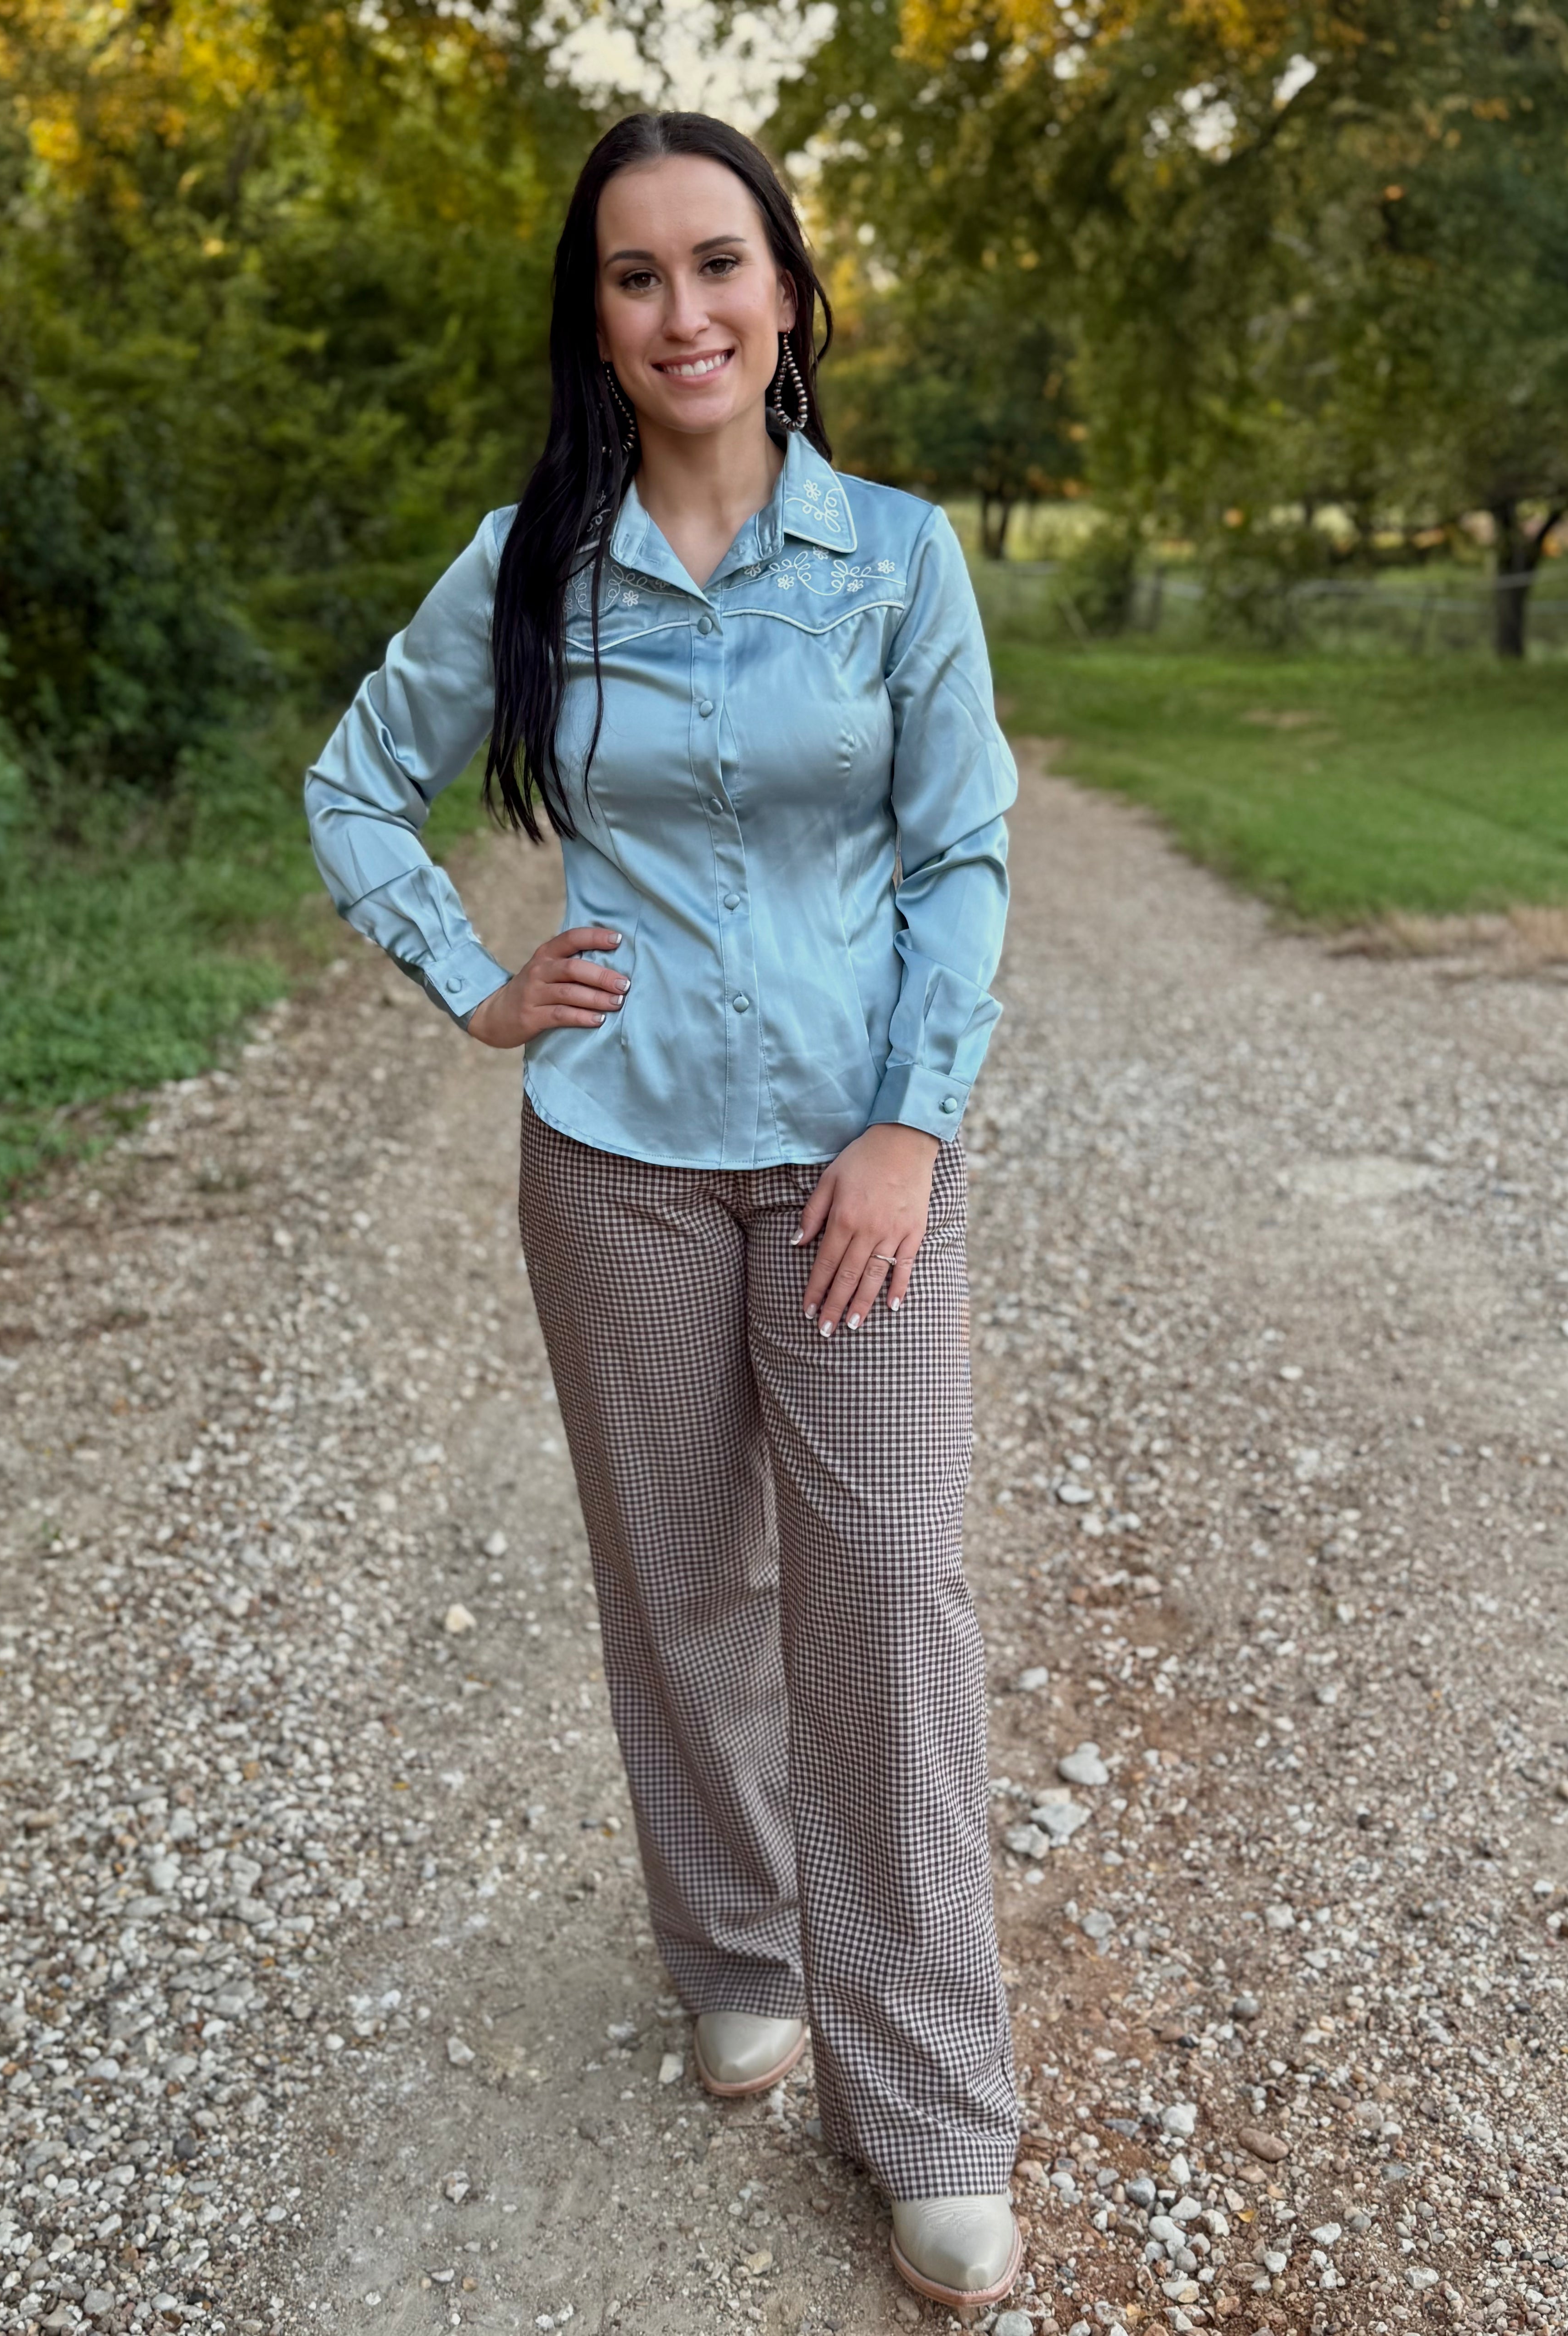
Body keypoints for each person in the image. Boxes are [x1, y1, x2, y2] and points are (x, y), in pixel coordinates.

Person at [303, 110, 1023, 2312]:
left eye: (723, 264)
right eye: (636, 276)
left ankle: (929, 2110)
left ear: (789, 294)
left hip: (849, 1166)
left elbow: (959, 856)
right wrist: (474, 979)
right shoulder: (530, 557)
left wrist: (911, 1125)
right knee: (676, 1571)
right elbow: (355, 780)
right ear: (595, 317)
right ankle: (734, 1947)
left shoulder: (896, 559)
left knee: (886, 1589)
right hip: (610, 1148)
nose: (685, 310)